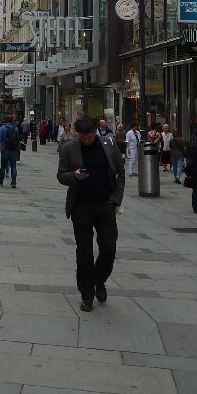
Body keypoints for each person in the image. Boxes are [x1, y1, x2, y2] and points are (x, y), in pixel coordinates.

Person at [57, 113, 125, 312]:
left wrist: (115, 199)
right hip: (81, 206)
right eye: (82, 137)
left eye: (89, 137)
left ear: (95, 132)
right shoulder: (69, 148)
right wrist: (74, 176)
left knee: (108, 248)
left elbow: (120, 173)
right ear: (77, 134)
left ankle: (99, 279)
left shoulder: (108, 144)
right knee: (84, 251)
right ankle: (87, 294)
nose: (86, 140)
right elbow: (61, 175)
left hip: (105, 205)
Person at [0, 115, 21, 188]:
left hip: (5, 149)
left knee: (3, 166)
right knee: (13, 166)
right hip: (14, 149)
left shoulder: (3, 128)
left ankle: (1, 181)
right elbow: (18, 138)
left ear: (5, 120)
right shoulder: (15, 128)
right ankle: (14, 182)